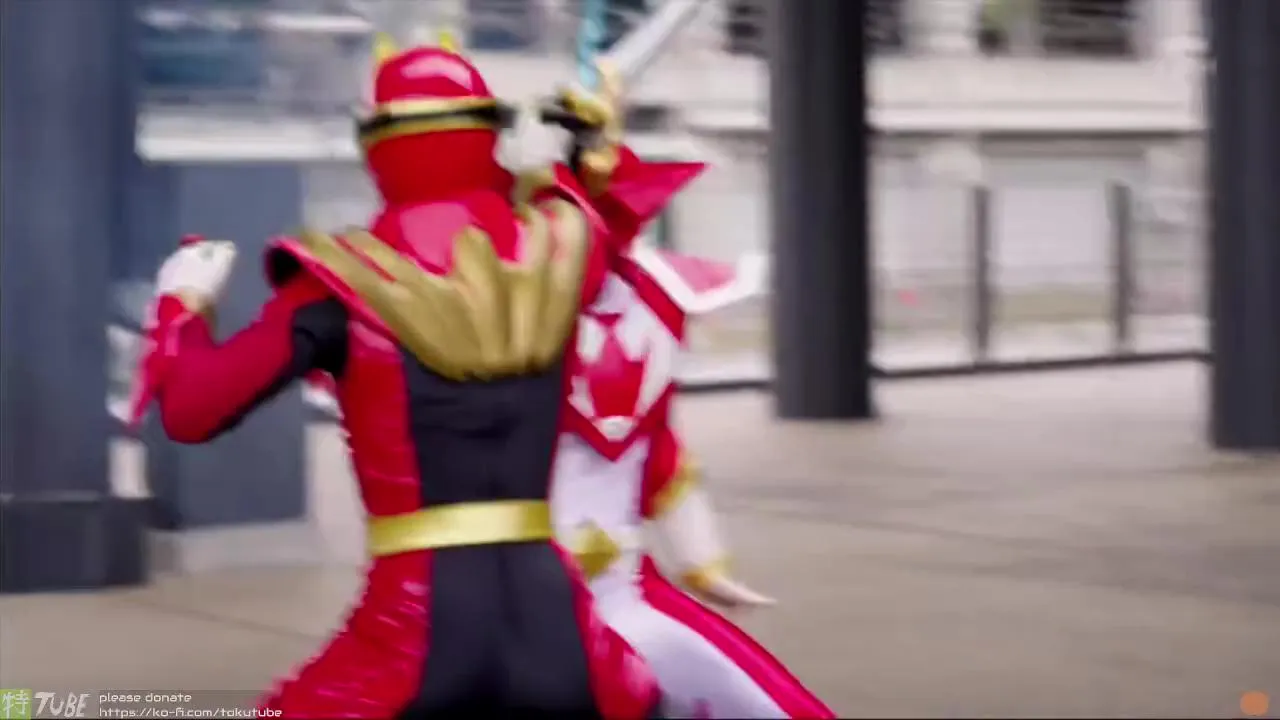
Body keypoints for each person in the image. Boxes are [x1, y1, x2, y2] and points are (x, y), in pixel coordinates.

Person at [129, 32, 670, 719]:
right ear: (488, 135)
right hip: (558, 632)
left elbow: (191, 409)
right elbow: (602, 210)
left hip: (411, 636)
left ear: (377, 147)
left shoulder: (335, 286)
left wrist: (181, 306)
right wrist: (589, 151)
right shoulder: (566, 249)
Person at [547, 65, 836, 720]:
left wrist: (703, 560)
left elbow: (660, 456)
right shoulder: (509, 311)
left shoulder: (649, 302)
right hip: (513, 597)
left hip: (619, 591)